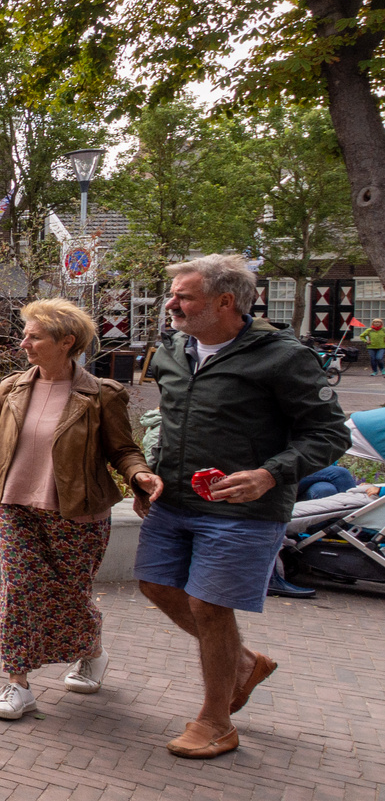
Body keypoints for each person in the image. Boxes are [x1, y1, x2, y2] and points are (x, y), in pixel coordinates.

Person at [136, 254, 348, 758]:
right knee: (155, 585)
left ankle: (216, 722)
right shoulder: (172, 351)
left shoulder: (282, 356)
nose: (171, 304)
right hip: (173, 502)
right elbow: (170, 423)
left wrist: (269, 474)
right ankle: (244, 663)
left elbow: (329, 432)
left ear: (225, 301)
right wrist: (150, 475)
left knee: (209, 606)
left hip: (243, 511)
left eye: (183, 296)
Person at [0, 299, 159, 722]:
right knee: (20, 591)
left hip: (78, 514)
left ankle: (92, 651)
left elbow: (124, 450)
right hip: (15, 507)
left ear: (67, 342)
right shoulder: (12, 388)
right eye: (25, 334)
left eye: (34, 336)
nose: (23, 343)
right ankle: (18, 684)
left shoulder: (102, 394)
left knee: (69, 596)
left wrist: (140, 478)